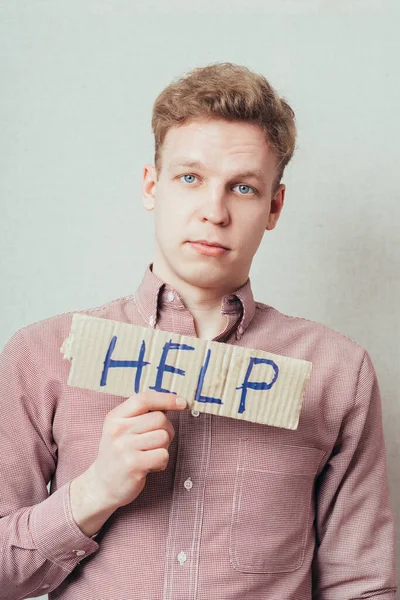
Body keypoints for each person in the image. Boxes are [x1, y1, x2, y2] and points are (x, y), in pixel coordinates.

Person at [0, 62, 397, 600]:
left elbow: (363, 585)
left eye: (243, 187)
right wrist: (94, 492)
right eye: (190, 178)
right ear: (151, 185)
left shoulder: (336, 372)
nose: (214, 211)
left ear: (274, 206)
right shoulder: (42, 355)